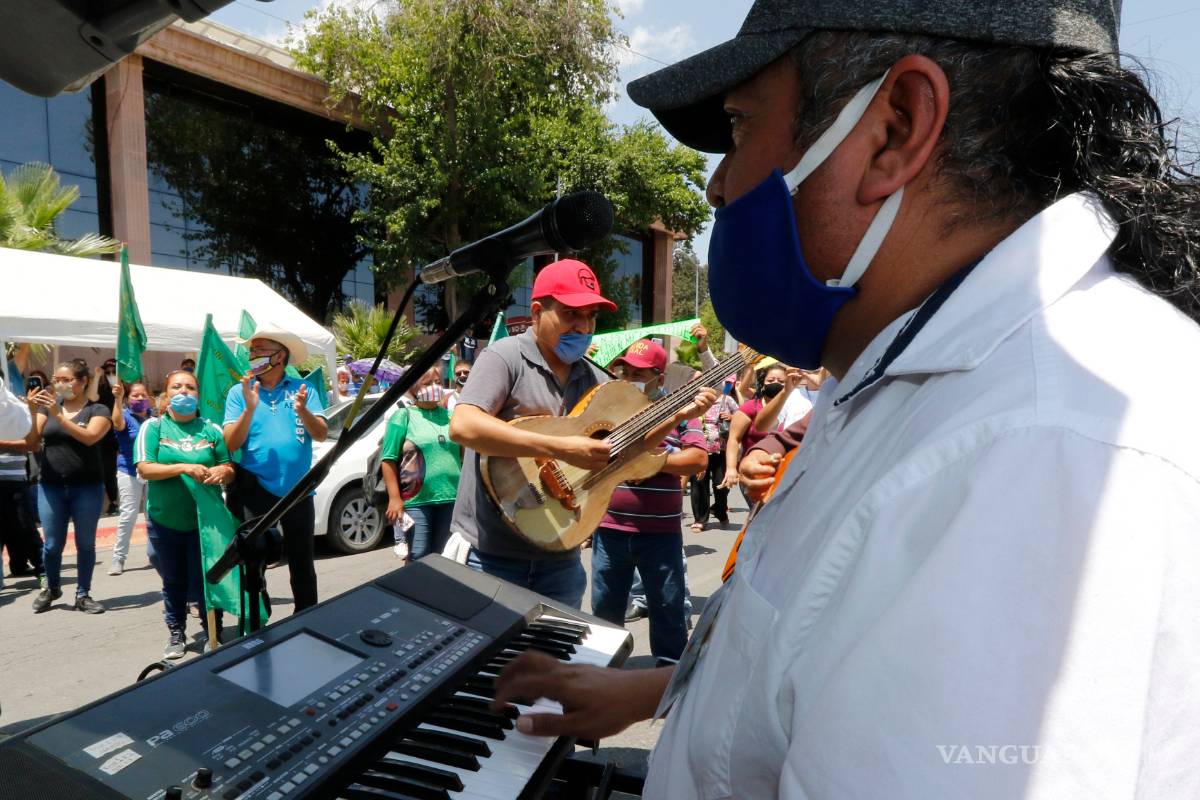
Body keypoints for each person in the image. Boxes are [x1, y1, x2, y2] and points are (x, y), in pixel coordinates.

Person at [490, 3, 1200, 797]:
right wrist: (651, 695)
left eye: (737, 126)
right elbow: (806, 663)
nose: (719, 183)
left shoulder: (1042, 460)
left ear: (895, 128)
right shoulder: (903, 371)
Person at [447, 259, 616, 607]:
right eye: (571, 314)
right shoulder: (504, 357)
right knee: (492, 661)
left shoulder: (595, 379)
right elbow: (463, 425)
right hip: (489, 557)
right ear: (537, 312)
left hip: (561, 559)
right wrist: (559, 448)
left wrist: (683, 415)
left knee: (554, 659)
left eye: (591, 316)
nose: (584, 327)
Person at [590, 339, 709, 662]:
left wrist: (651, 462)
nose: (629, 377)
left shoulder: (681, 410)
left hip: (661, 535)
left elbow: (698, 459)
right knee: (604, 612)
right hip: (609, 528)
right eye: (625, 370)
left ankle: (666, 680)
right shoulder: (608, 410)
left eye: (638, 372)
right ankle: (600, 676)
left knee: (668, 609)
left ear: (659, 377)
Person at [223, 323, 327, 611]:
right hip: (253, 489)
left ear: (279, 356)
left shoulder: (302, 389)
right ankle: (257, 618)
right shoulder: (238, 392)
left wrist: (303, 411)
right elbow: (231, 443)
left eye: (259, 350)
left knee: (302, 563)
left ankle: (306, 617)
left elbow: (320, 433)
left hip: (298, 491)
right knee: (253, 561)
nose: (252, 355)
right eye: (251, 350)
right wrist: (249, 409)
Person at [136, 369, 234, 658]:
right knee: (174, 579)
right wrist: (183, 467)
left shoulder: (211, 430)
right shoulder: (154, 428)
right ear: (166, 396)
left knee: (207, 577)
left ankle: (212, 629)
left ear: (198, 395)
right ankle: (176, 631)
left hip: (205, 522)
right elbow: (145, 469)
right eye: (176, 387)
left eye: (190, 387)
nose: (183, 392)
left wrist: (221, 472)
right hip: (165, 520)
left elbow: (229, 469)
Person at [27, 360, 110, 614]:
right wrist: (32, 411)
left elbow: (89, 437)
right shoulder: (47, 408)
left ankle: (83, 594)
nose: (60, 385)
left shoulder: (98, 410)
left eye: (67, 380)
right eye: (57, 380)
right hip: (51, 486)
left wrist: (59, 416)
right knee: (52, 544)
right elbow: (31, 443)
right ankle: (51, 587)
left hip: (87, 487)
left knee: (85, 543)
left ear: (83, 381)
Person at [380, 367, 461, 564]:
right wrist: (394, 498)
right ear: (414, 388)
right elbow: (388, 459)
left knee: (446, 558)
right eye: (427, 383)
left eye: (438, 382)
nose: (435, 387)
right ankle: (414, 594)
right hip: (417, 502)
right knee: (419, 556)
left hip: (451, 499)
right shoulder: (403, 417)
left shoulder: (452, 417)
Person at [107, 379, 152, 575]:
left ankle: (156, 554)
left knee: (154, 515)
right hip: (129, 472)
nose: (140, 398)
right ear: (127, 399)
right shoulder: (124, 415)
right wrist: (117, 399)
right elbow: (116, 423)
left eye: (143, 395)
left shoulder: (154, 418)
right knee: (128, 515)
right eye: (135, 395)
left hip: (152, 472)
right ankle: (118, 558)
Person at [720, 363, 788, 492]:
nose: (776, 383)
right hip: (754, 474)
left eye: (781, 381)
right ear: (763, 383)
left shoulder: (794, 407)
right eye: (771, 380)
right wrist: (731, 469)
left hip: (785, 474)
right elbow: (734, 439)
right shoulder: (750, 407)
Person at [689, 377, 739, 531]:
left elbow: (742, 417)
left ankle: (719, 509)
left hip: (721, 450)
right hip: (698, 449)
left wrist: (732, 418)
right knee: (699, 485)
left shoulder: (727, 400)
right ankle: (700, 519)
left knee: (722, 485)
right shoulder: (694, 401)